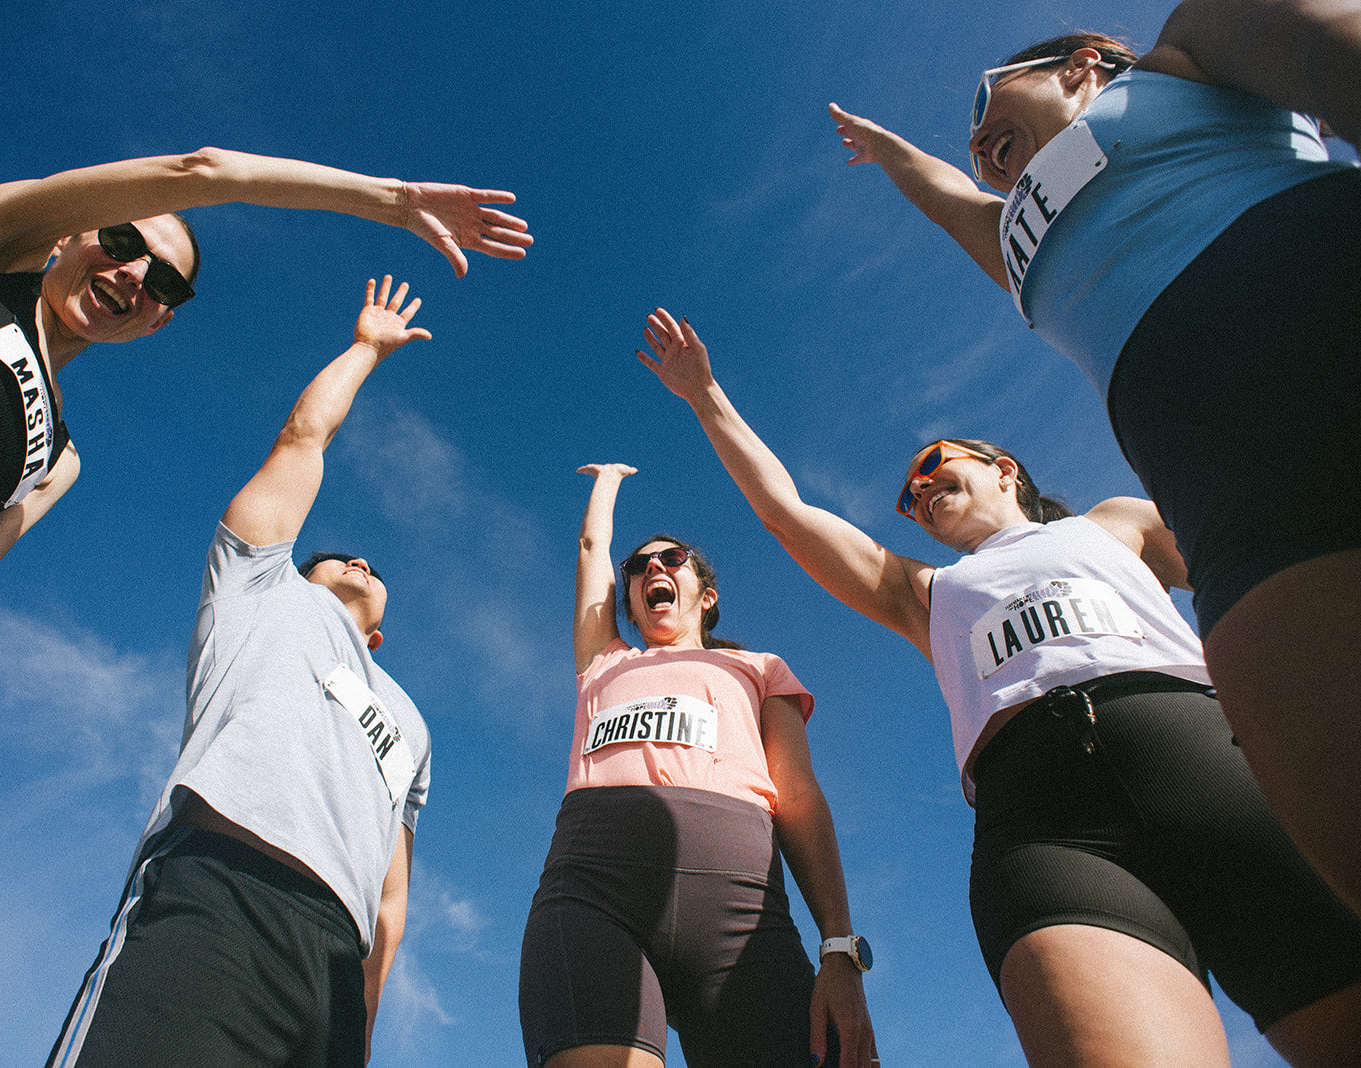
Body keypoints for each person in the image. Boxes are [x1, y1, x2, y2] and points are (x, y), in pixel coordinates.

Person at [0, 151, 529, 934]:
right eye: (125, 242)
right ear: (71, 232)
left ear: (161, 317)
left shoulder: (57, 459)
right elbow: (202, 171)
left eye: (164, 284)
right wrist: (394, 202)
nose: (136, 276)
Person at [638, 310, 1361, 1067]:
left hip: (1209, 760)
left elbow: (1257, 556)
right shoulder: (923, 593)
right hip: (1046, 832)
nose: (917, 492)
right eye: (908, 499)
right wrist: (704, 394)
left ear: (1004, 468)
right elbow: (787, 516)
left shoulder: (1111, 525)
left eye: (933, 467)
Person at [823, 3, 1361, 915]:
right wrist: (888, 151)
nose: (986, 155)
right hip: (1236, 507)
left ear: (1081, 64)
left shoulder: (1181, 58)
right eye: (979, 154)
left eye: (995, 122)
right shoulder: (1016, 238)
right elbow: (957, 206)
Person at [48, 276, 431, 1067]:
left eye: (371, 565)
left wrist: (363, 1010)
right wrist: (366, 349)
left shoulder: (411, 722)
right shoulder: (260, 587)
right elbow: (303, 441)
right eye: (335, 559)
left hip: (332, 965)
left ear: (384, 634)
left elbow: (393, 892)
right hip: (221, 888)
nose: (358, 558)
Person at [517, 463, 875, 1068]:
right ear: (626, 600)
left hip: (739, 899)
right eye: (639, 567)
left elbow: (799, 795)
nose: (653, 568)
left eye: (672, 559)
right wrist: (606, 481)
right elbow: (590, 549)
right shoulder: (602, 663)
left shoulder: (760, 669)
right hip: (593, 887)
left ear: (706, 596)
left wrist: (838, 945)